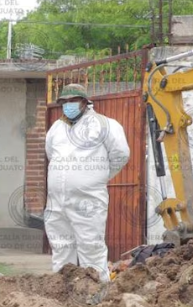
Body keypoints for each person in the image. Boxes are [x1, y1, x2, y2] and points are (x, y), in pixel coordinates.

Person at [45, 83, 130, 282]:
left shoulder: (104, 125)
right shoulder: (56, 128)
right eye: (64, 102)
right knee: (61, 248)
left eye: (73, 100)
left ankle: (96, 293)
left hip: (88, 200)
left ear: (84, 102)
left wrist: (96, 178)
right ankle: (63, 291)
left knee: (91, 247)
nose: (68, 105)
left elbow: (121, 154)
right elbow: (51, 155)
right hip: (56, 201)